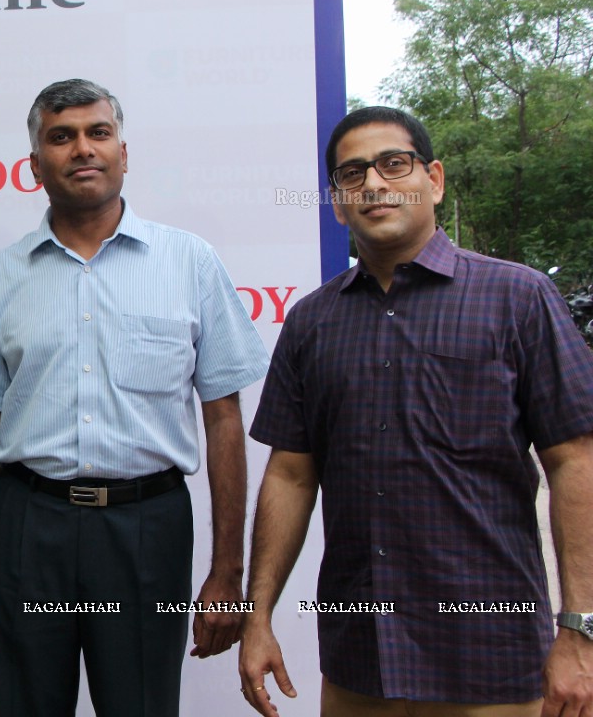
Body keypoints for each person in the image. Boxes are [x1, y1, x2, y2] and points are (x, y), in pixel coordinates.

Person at [239, 106, 593, 716]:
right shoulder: (312, 322)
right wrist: (258, 615)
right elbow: (291, 474)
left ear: (434, 179)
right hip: (360, 657)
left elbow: (575, 462)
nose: (373, 183)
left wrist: (580, 630)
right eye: (352, 174)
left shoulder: (518, 298)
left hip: (492, 656)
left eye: (393, 164)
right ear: (337, 200)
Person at [0, 79, 269, 716]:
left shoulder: (190, 262)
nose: (82, 149)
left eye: (98, 133)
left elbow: (223, 422)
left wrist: (227, 572)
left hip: (145, 527)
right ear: (34, 164)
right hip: (27, 523)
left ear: (123, 154)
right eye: (61, 136)